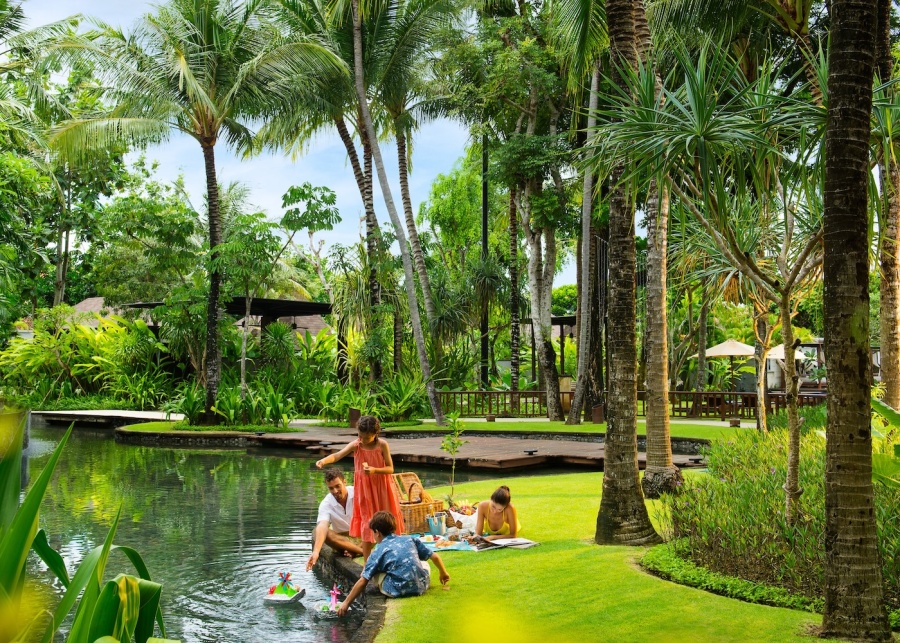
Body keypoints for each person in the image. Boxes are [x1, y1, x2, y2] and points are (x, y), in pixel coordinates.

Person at [315, 415, 405, 560]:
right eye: (359, 435)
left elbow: (390, 468)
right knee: (367, 522)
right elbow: (338, 455)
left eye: (365, 437)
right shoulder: (357, 445)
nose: (361, 439)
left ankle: (395, 557)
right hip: (365, 490)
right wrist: (324, 461)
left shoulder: (382, 445)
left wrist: (375, 470)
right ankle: (367, 564)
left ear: (375, 434)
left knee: (387, 521)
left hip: (382, 488)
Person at [337, 511, 450, 616]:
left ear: (377, 532)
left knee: (372, 571)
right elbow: (434, 556)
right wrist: (443, 573)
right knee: (424, 563)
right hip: (421, 586)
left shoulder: (378, 551)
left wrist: (346, 603)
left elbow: (363, 580)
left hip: (397, 590)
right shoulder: (410, 539)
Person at [306, 468, 364, 571]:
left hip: (363, 537)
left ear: (344, 482)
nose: (335, 491)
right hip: (342, 541)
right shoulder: (326, 503)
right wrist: (316, 552)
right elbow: (323, 525)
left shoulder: (358, 493)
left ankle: (355, 551)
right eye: (331, 488)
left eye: (338, 486)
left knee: (375, 523)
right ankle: (360, 551)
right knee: (319, 531)